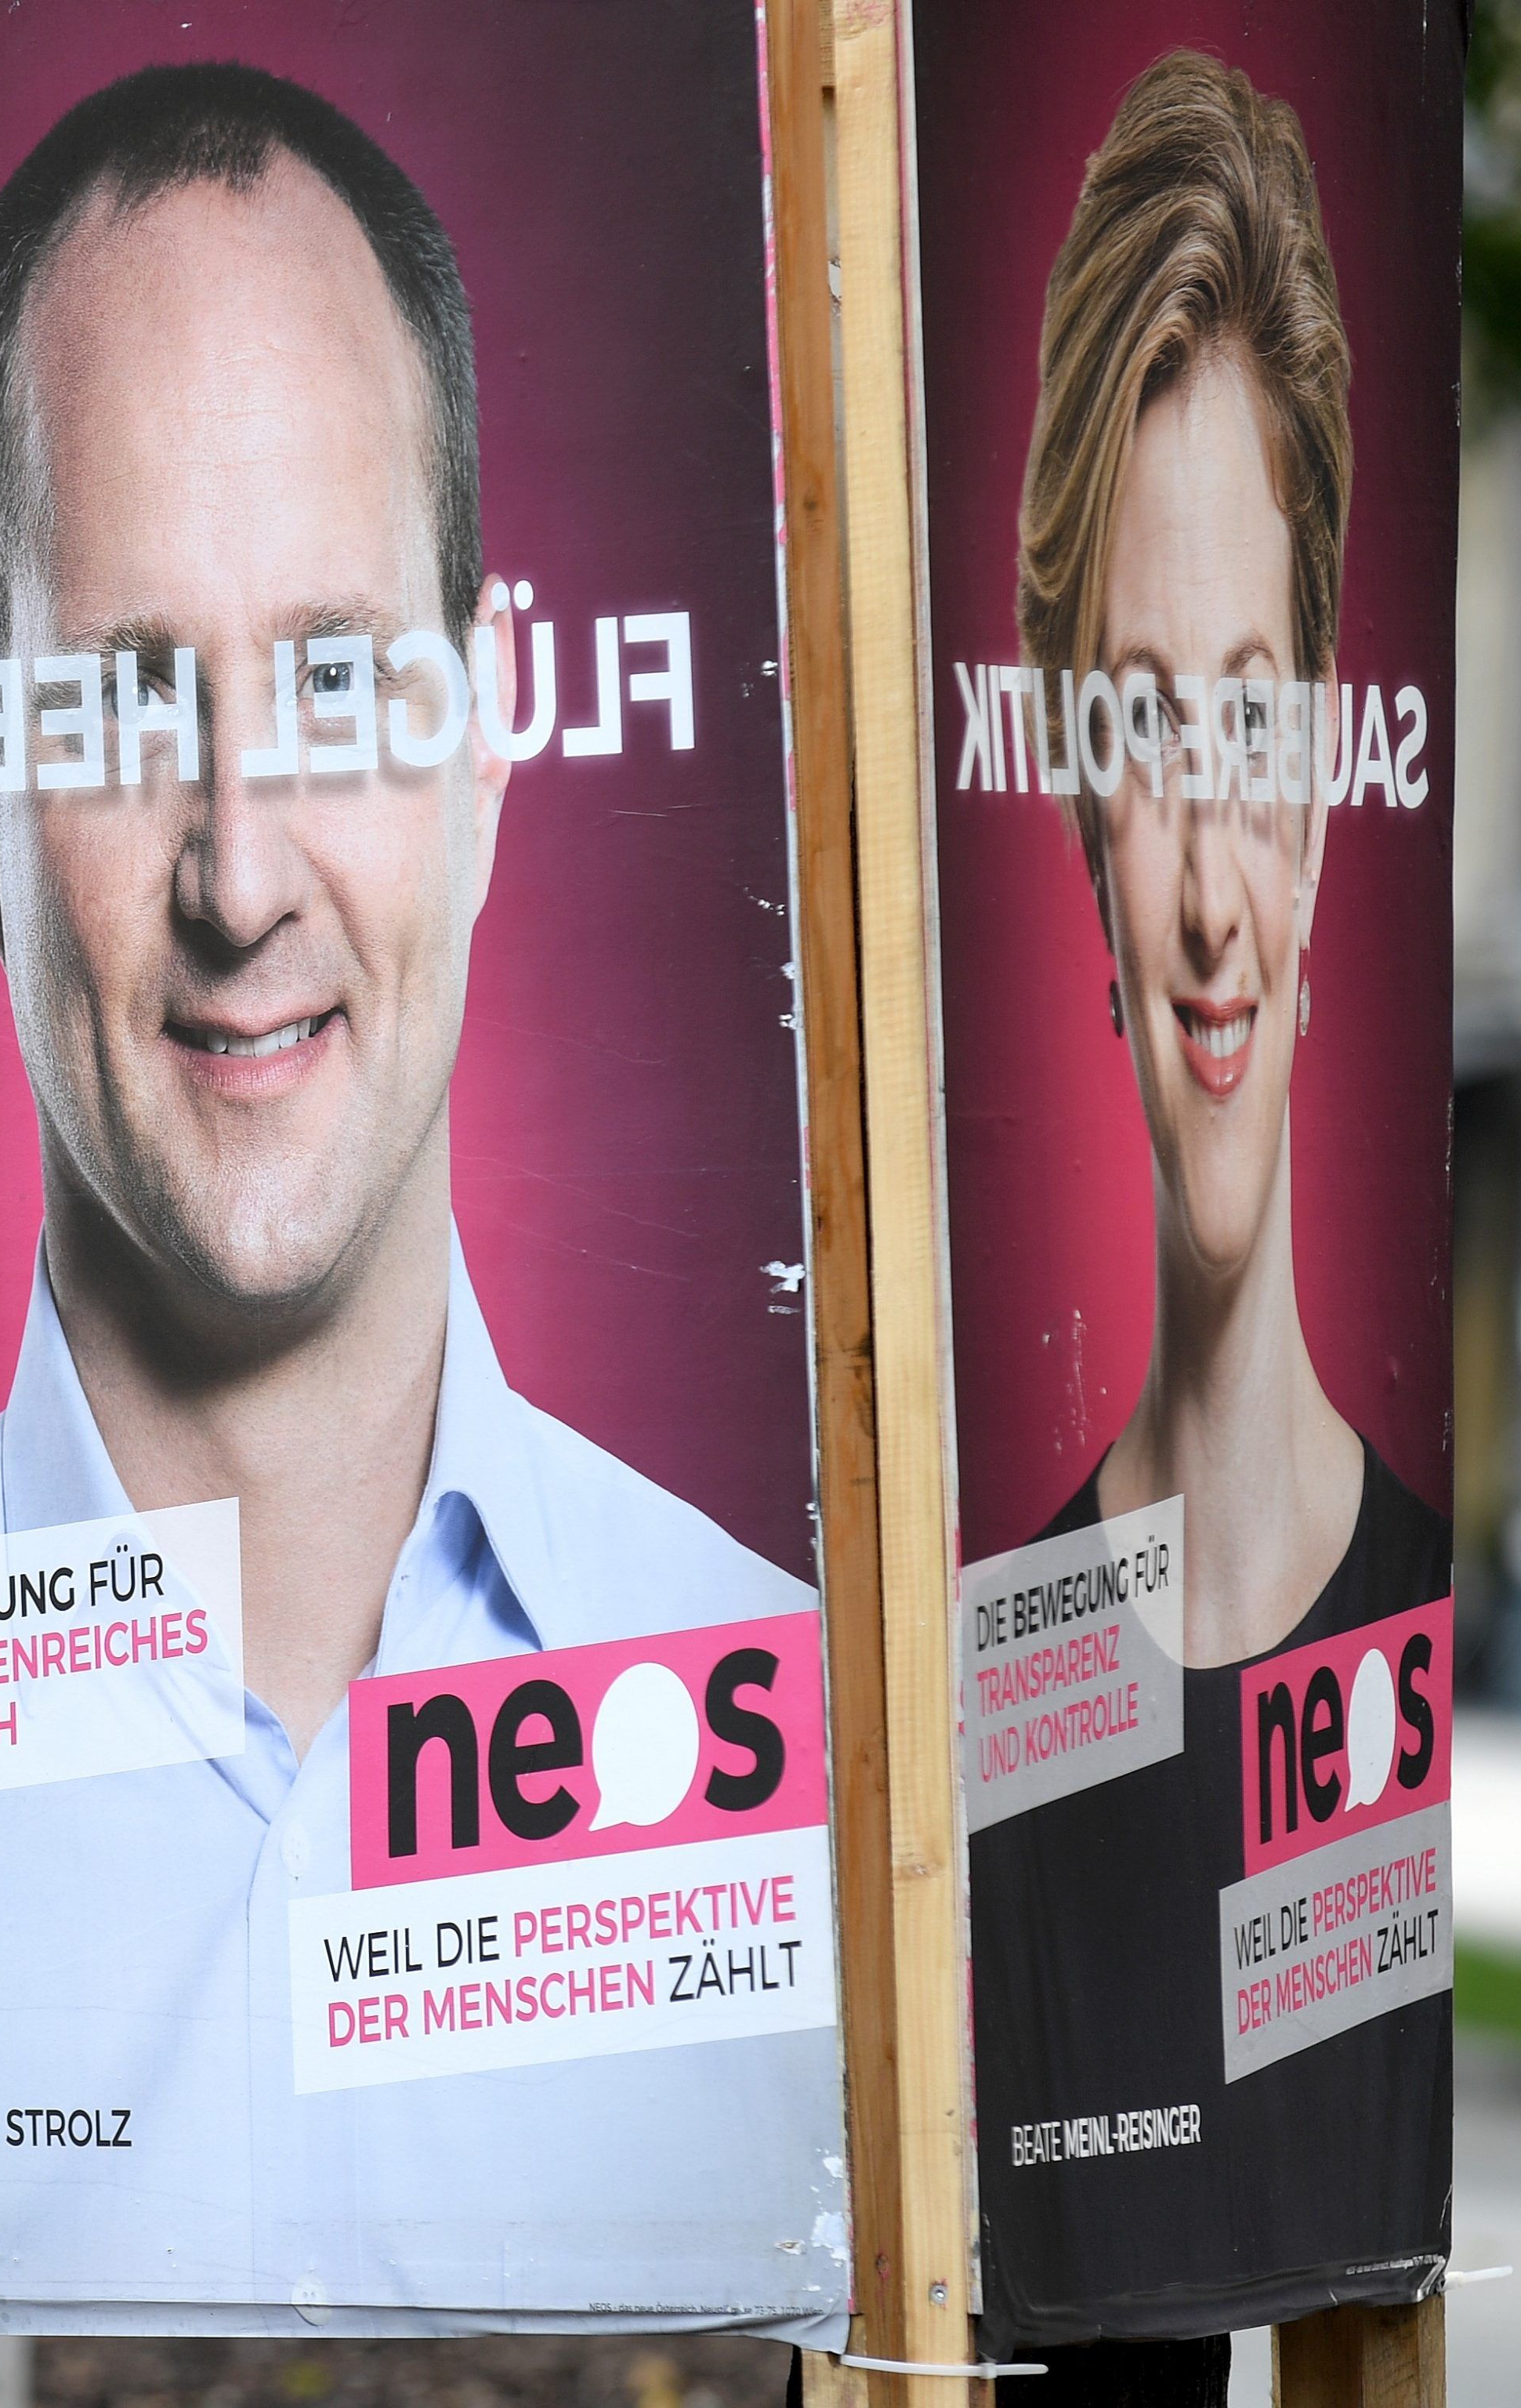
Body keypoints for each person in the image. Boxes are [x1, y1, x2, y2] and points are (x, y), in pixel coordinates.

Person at [0, 63, 833, 2337]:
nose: (242, 872)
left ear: (490, 733)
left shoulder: (820, 1764)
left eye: (337, 681)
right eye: (130, 708)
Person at [969, 52, 1449, 2397]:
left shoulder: (1400, 1609)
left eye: (1250, 722)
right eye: (1141, 732)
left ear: (1338, 779)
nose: (1208, 893)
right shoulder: (1014, 1643)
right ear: (1069, 806)